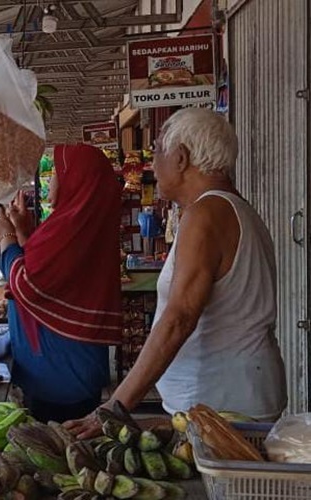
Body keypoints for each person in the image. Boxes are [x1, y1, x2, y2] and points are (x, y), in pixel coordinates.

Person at [65, 109, 287, 439]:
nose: (151, 164)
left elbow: (179, 318)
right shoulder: (234, 210)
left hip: (223, 403)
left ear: (180, 157)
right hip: (228, 399)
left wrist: (115, 407)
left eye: (156, 151)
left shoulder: (206, 213)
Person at [0, 144, 122, 422]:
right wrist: (25, 234)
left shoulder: (71, 229)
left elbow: (28, 284)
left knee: (60, 453)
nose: (51, 179)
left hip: (61, 376)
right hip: (59, 370)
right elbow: (48, 278)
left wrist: (6, 239)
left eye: (57, 172)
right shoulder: (77, 223)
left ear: (76, 178)